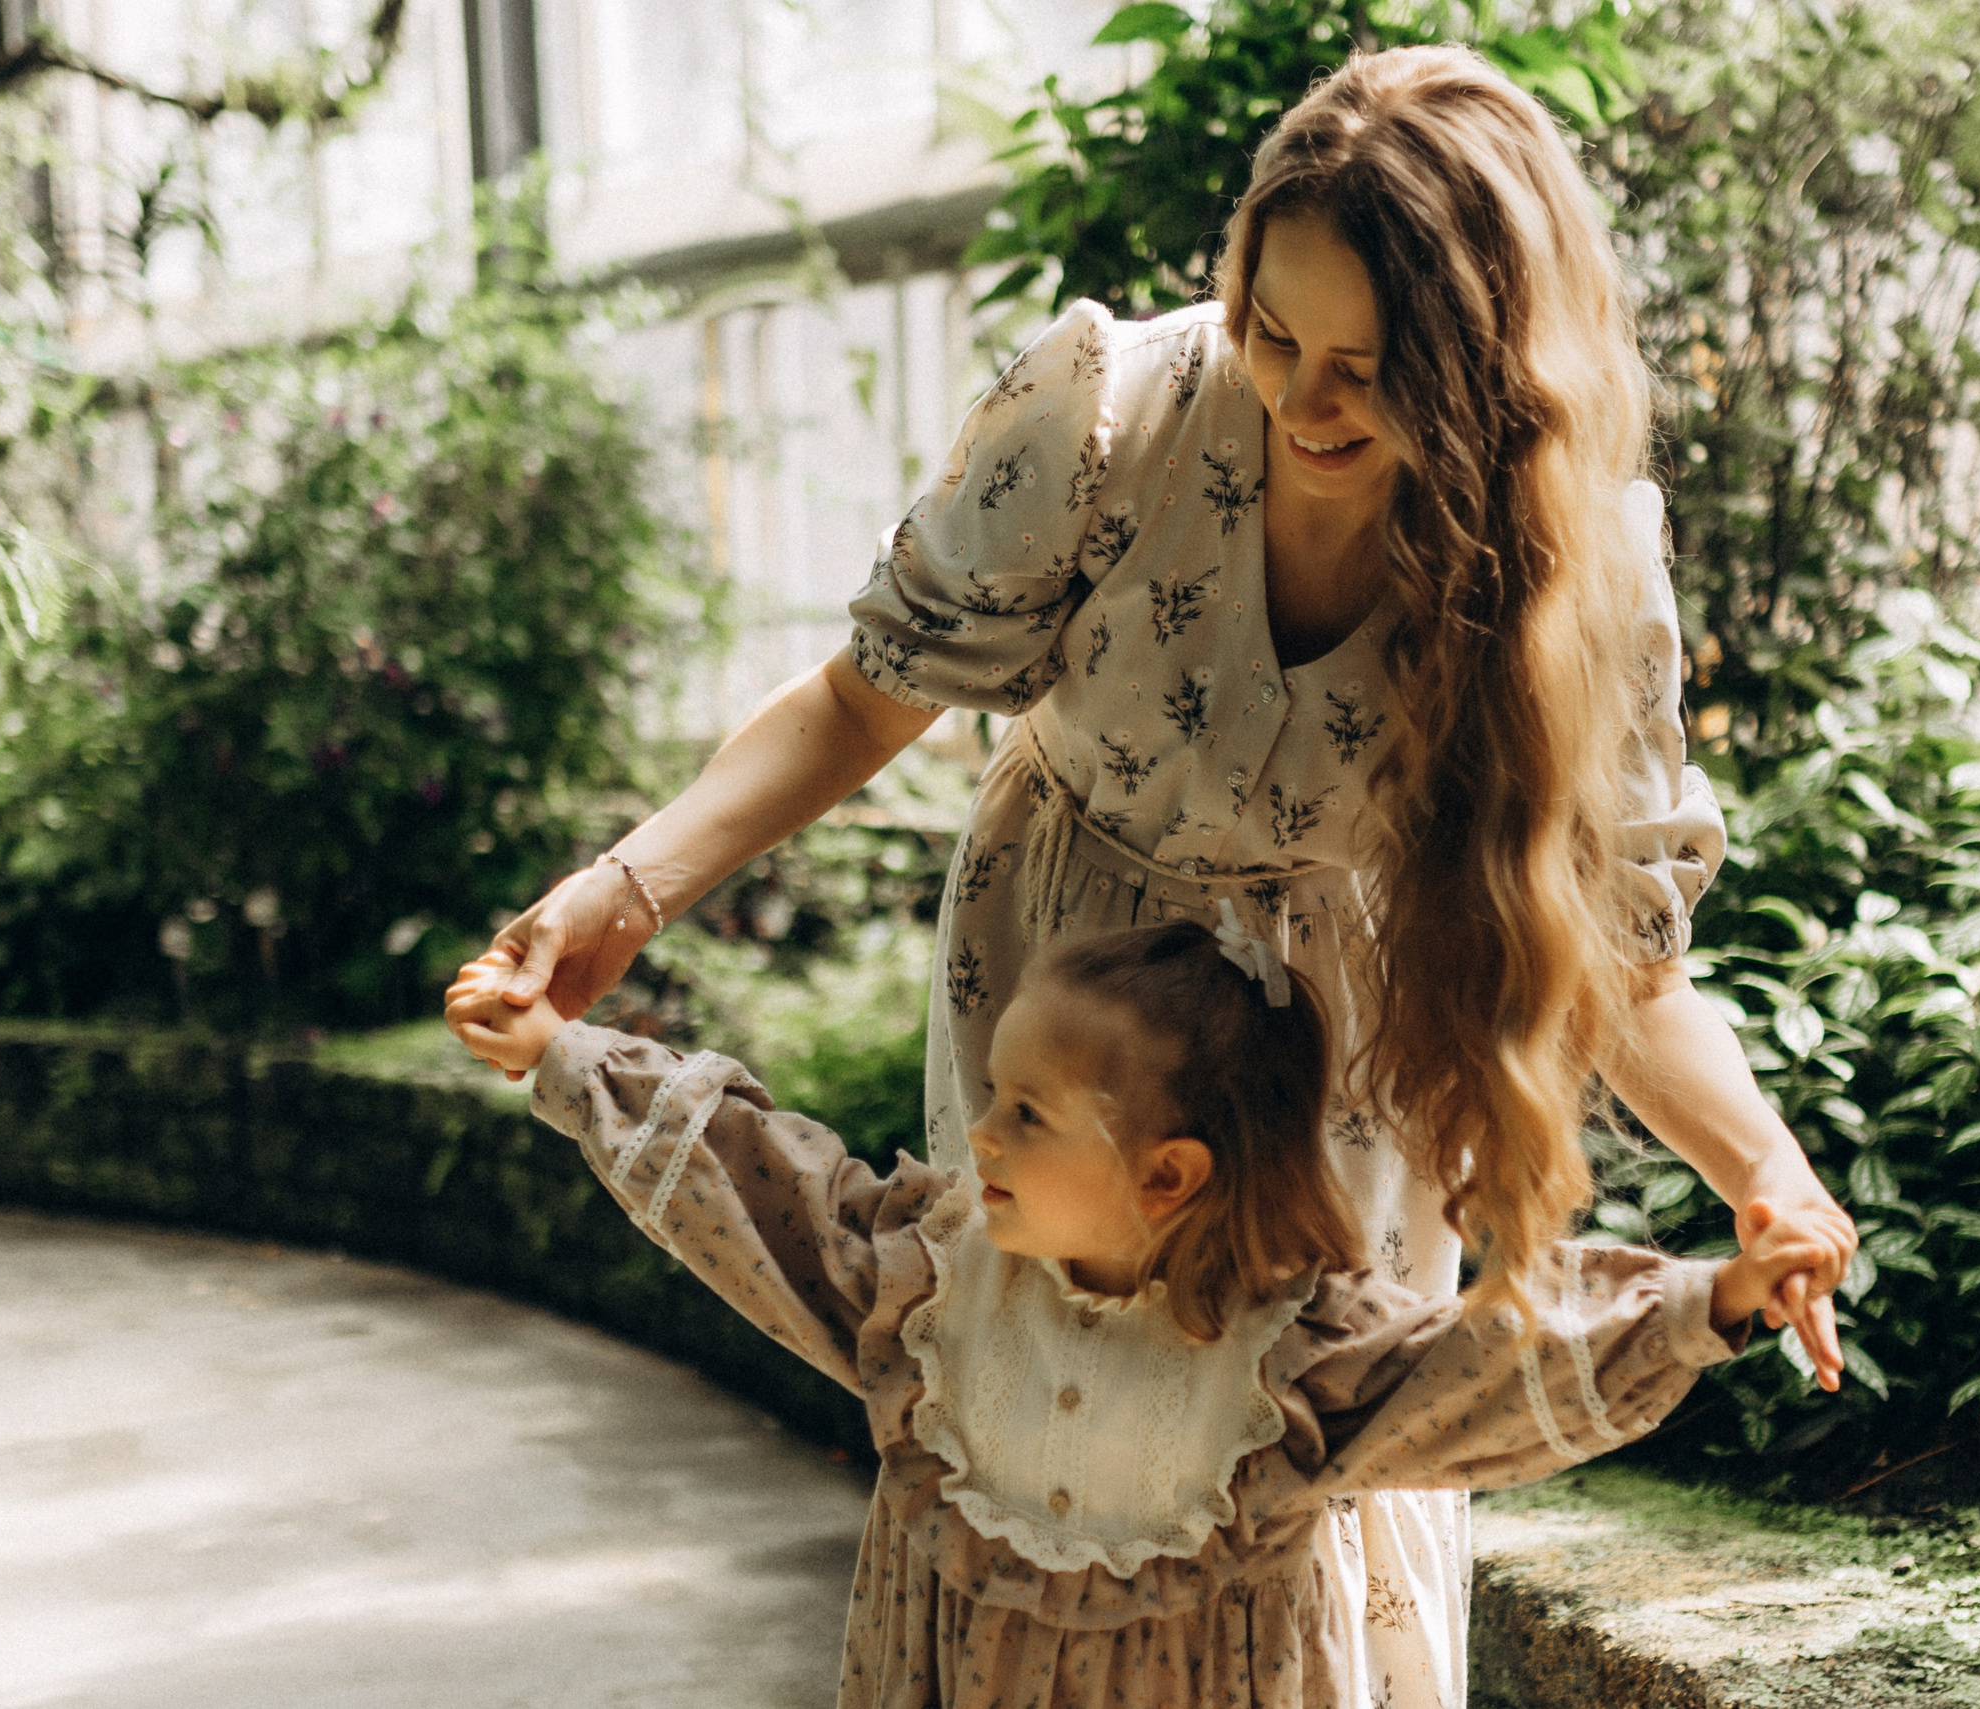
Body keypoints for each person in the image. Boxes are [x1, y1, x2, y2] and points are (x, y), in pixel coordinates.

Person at [461, 44, 1857, 1706]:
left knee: (1308, 1454)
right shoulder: (1110, 418)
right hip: (1068, 995)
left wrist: (1766, 1174)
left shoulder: (1571, 559)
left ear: (1489, 369)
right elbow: (862, 695)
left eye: (1368, 365)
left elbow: (1624, 956)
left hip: (1331, 1061)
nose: (1300, 399)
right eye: (1274, 332)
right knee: (1035, 1399)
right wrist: (623, 891)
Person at [448, 917, 1829, 1709]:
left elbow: (1491, 1365)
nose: (976, 1132)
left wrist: (1715, 1297)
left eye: (1026, 1112)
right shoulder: (929, 1292)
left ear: (1167, 1175)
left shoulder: (1289, 1362)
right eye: (993, 1095)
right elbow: (756, 1187)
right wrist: (568, 1056)